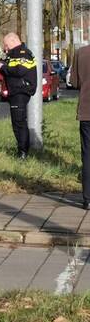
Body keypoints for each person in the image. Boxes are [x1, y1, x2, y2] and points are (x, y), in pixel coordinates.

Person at [0, 32, 38, 160]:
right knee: (16, 123)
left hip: (21, 90)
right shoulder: (13, 54)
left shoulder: (23, 53)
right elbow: (7, 66)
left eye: (6, 44)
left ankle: (23, 153)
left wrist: (3, 67)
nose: (5, 48)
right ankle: (21, 150)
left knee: (19, 122)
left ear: (13, 41)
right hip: (15, 91)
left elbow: (19, 71)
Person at [70, 43, 90, 209]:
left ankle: (88, 199)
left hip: (86, 111)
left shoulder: (81, 53)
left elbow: (74, 82)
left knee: (87, 154)